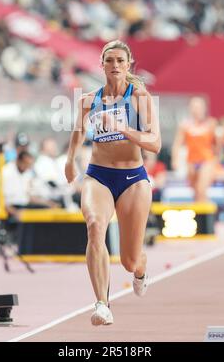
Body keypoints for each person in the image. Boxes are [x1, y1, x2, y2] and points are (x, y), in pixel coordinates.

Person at [65, 40, 161, 326]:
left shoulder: (139, 97)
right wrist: (70, 160)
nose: (115, 66)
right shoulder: (88, 101)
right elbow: (77, 131)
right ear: (102, 65)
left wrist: (123, 129)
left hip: (133, 178)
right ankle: (102, 305)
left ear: (128, 64)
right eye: (110, 61)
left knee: (129, 261)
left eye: (120, 60)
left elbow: (155, 143)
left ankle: (141, 269)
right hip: (99, 175)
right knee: (95, 226)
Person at [171, 97, 217, 201]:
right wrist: (175, 160)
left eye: (199, 107)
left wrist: (215, 161)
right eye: (194, 107)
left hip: (206, 160)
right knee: (195, 191)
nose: (196, 110)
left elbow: (216, 145)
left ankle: (206, 216)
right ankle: (199, 215)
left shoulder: (211, 124)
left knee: (202, 190)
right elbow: (177, 144)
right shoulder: (185, 125)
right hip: (191, 161)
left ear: (204, 109)